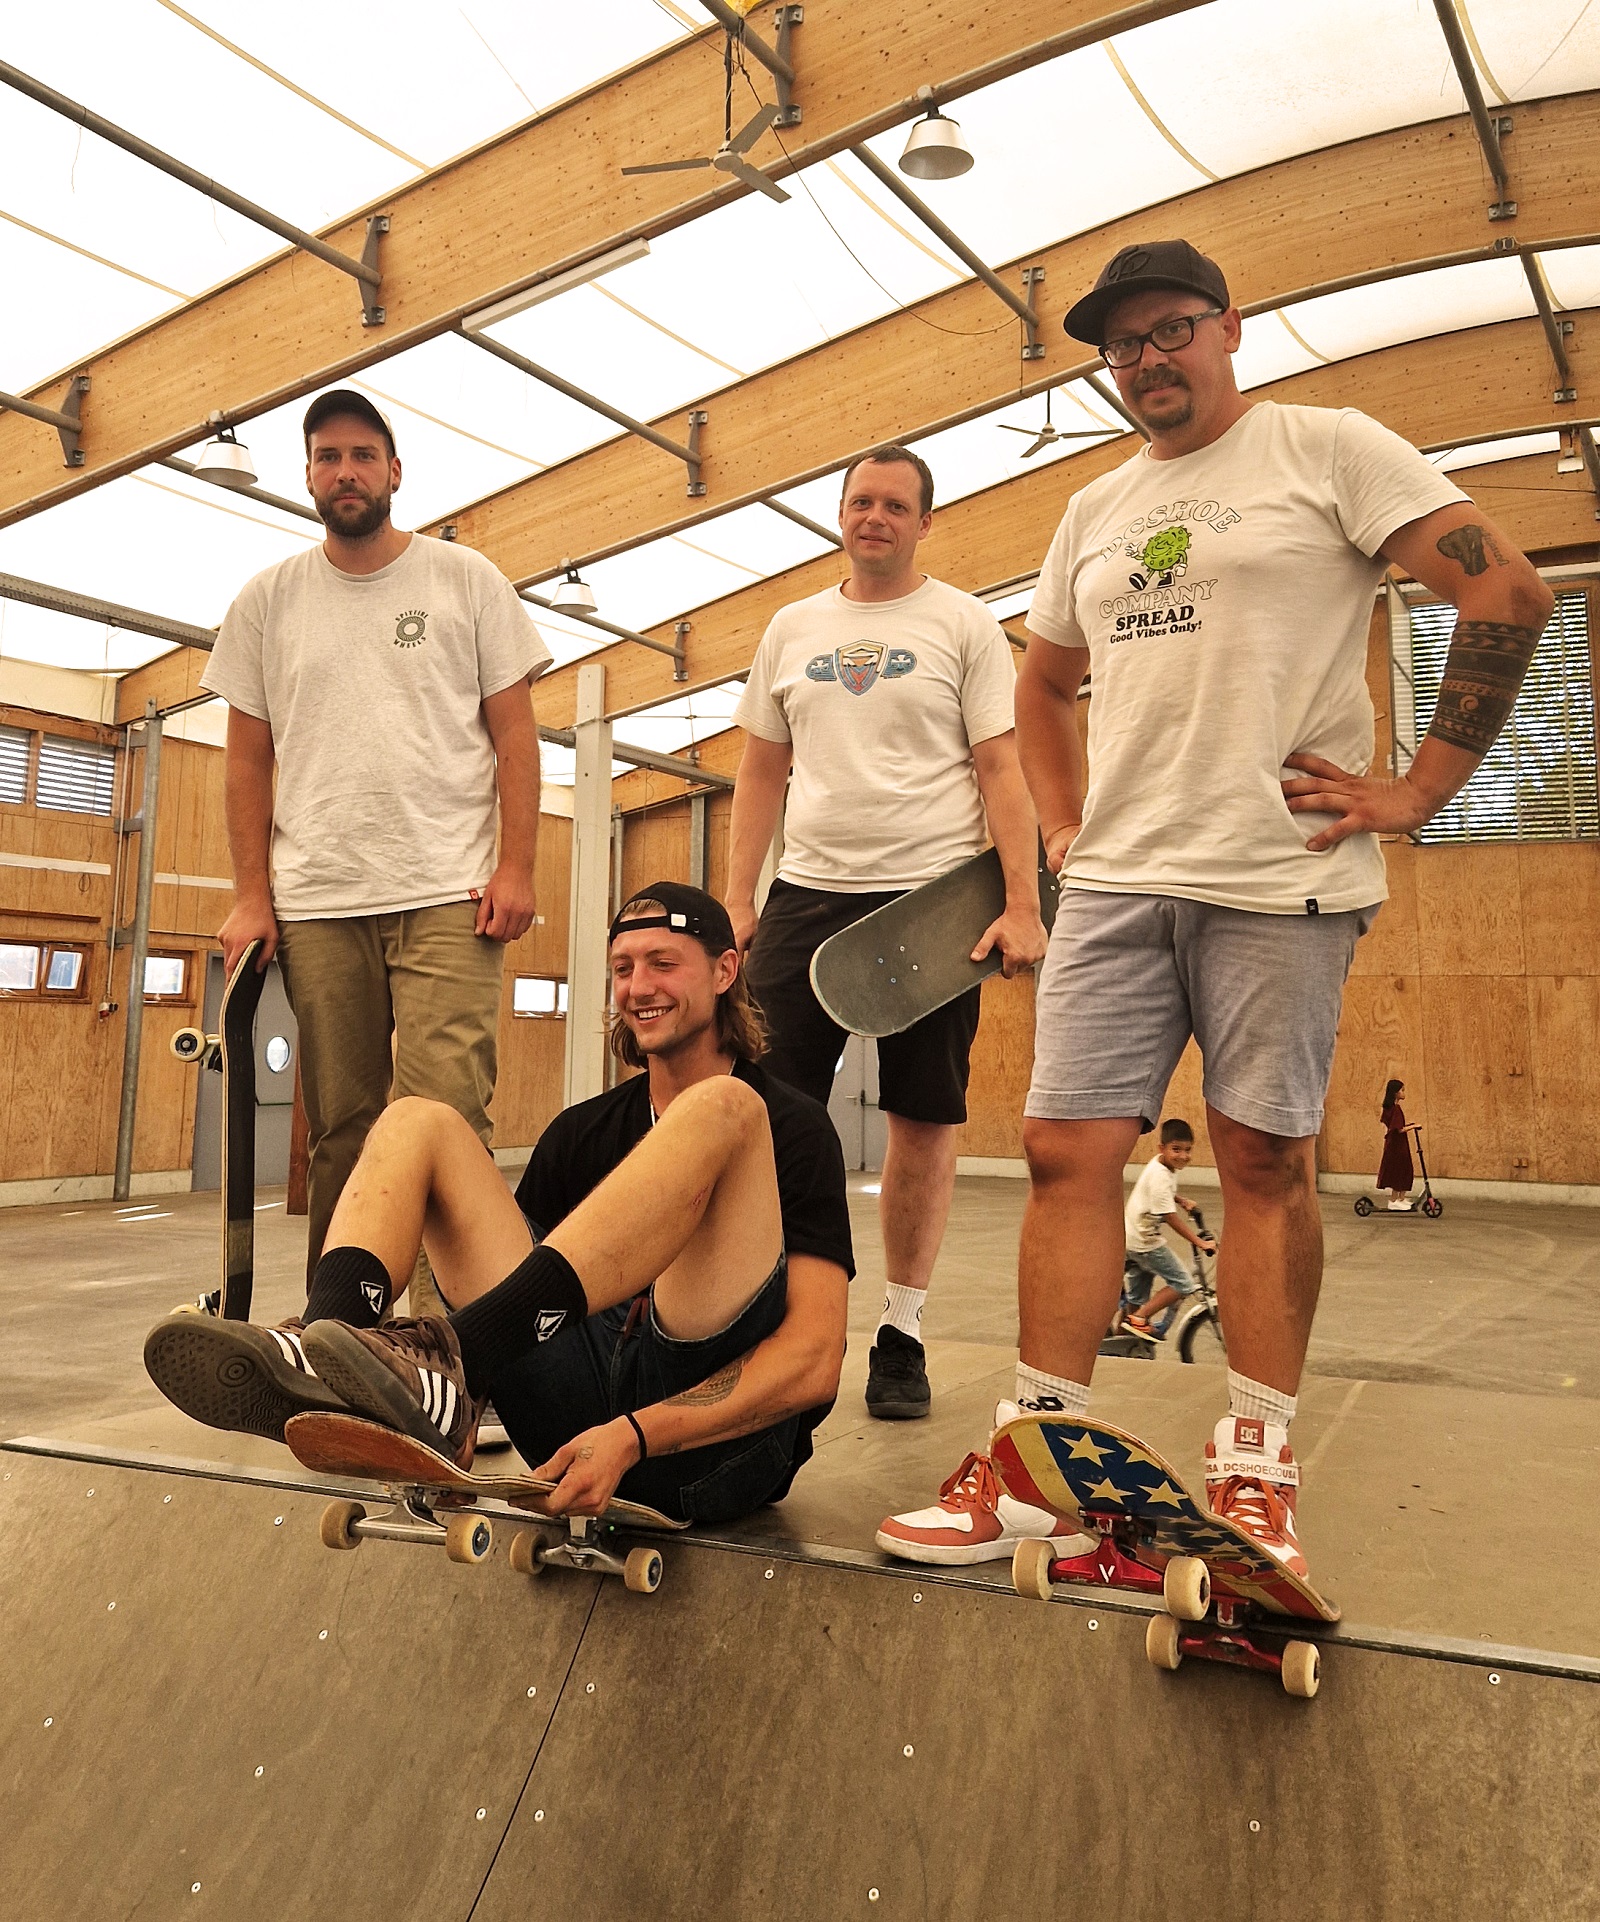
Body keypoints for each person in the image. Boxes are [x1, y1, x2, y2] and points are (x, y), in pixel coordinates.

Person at [881, 239, 1552, 1576]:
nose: (1145, 363)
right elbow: (1039, 687)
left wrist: (1420, 787)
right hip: (1122, 882)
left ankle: (1255, 1464)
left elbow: (1508, 590)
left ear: (1231, 326)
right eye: (1120, 347)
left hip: (1278, 879)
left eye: (1170, 331)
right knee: (1068, 1155)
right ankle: (1038, 1460)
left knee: (1260, 1162)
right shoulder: (1097, 508)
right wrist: (1066, 827)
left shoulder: (1332, 450)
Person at [143, 884, 853, 1523]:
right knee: (417, 1118)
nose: (639, 986)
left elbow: (814, 1360)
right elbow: (516, 1283)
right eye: (624, 968)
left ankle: (460, 1358)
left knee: (724, 1106)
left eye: (664, 963)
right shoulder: (584, 1133)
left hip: (706, 1451)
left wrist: (634, 1437)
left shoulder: (787, 1126)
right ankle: (332, 1363)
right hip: (567, 1432)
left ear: (726, 972)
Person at [201, 389, 547, 1329]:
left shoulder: (465, 580)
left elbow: (516, 737)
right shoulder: (267, 601)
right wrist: (251, 895)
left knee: (444, 1121)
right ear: (307, 475)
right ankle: (342, 1336)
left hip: (450, 888)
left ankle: (452, 1346)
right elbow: (246, 758)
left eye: (361, 455)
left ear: (395, 472)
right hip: (318, 897)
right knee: (342, 1131)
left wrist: (517, 868)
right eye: (326, 457)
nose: (344, 472)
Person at [727, 445, 1048, 1423]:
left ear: (924, 521)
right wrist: (739, 902)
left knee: (922, 1117)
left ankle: (900, 1329)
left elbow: (1002, 769)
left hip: (931, 902)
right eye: (860, 501)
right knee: (760, 1114)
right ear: (840, 513)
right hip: (808, 896)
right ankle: (761, 1312)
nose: (874, 517)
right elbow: (759, 775)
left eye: (894, 505)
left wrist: (1024, 901)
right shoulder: (792, 626)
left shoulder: (962, 624)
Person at [1120, 1118, 1216, 1340]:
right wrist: (1199, 1242)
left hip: (1132, 1238)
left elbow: (1159, 1194)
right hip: (1146, 1243)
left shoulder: (1161, 1164)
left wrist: (1180, 1199)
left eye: (1187, 1150)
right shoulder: (1161, 1176)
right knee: (1183, 1284)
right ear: (1161, 1148)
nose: (1183, 1156)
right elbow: (1169, 1217)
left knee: (1136, 1299)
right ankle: (1140, 1319)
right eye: (1176, 1149)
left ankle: (1123, 1340)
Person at [1377, 1078, 1415, 1210]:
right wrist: (1414, 1126)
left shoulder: (1388, 1108)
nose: (1404, 1093)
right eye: (1402, 1090)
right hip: (1397, 1145)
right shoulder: (1395, 1109)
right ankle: (1395, 1200)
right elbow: (1399, 1128)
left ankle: (1399, 1198)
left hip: (1393, 1143)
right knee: (1402, 1169)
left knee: (1399, 1169)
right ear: (1395, 1093)